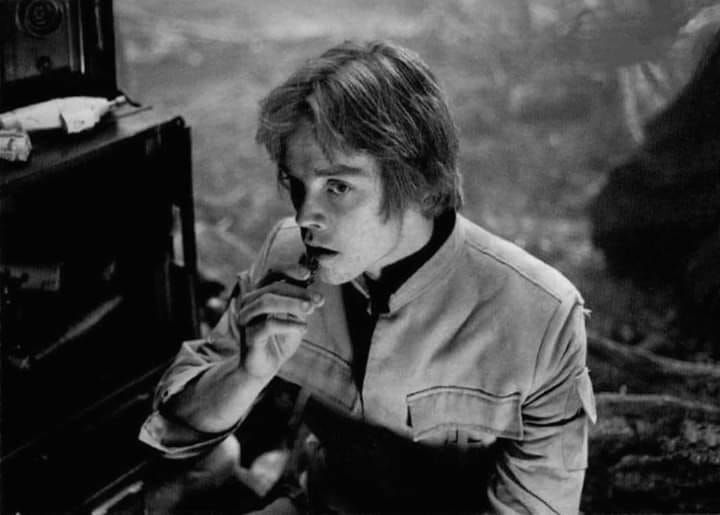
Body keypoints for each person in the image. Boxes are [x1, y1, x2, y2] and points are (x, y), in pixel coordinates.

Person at [139, 40, 596, 514]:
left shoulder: (541, 315)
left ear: (418, 182)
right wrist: (245, 374)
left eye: (338, 186)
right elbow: (173, 433)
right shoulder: (288, 253)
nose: (305, 216)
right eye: (297, 184)